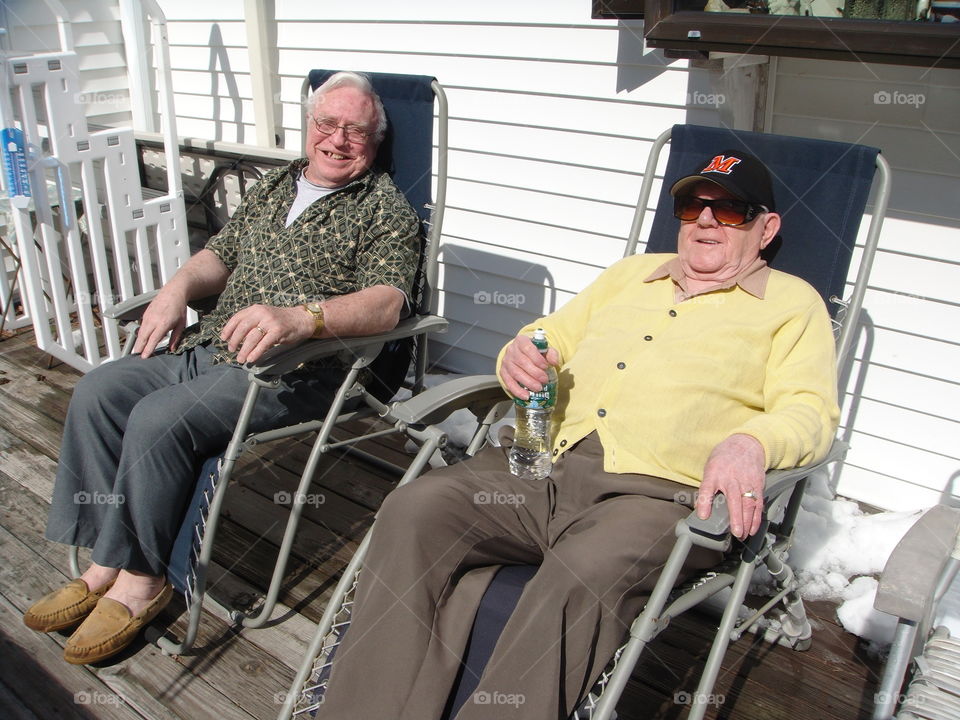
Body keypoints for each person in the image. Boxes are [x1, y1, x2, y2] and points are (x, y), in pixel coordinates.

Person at [315, 150, 841, 720]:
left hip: (652, 497)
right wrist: (521, 351)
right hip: (536, 468)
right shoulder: (629, 276)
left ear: (767, 229)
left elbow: (809, 410)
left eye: (731, 210)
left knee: (582, 572)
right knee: (414, 510)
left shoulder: (792, 305)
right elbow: (549, 335)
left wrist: (752, 443)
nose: (706, 221)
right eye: (693, 206)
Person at [22, 71, 422, 665]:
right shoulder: (276, 186)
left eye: (355, 130)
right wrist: (177, 287)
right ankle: (106, 557)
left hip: (291, 371)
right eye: (327, 124)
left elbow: (390, 301)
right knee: (102, 390)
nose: (338, 139)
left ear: (375, 139)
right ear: (308, 127)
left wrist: (302, 318)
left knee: (159, 419)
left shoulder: (385, 209)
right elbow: (219, 255)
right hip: (210, 346)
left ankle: (142, 581)